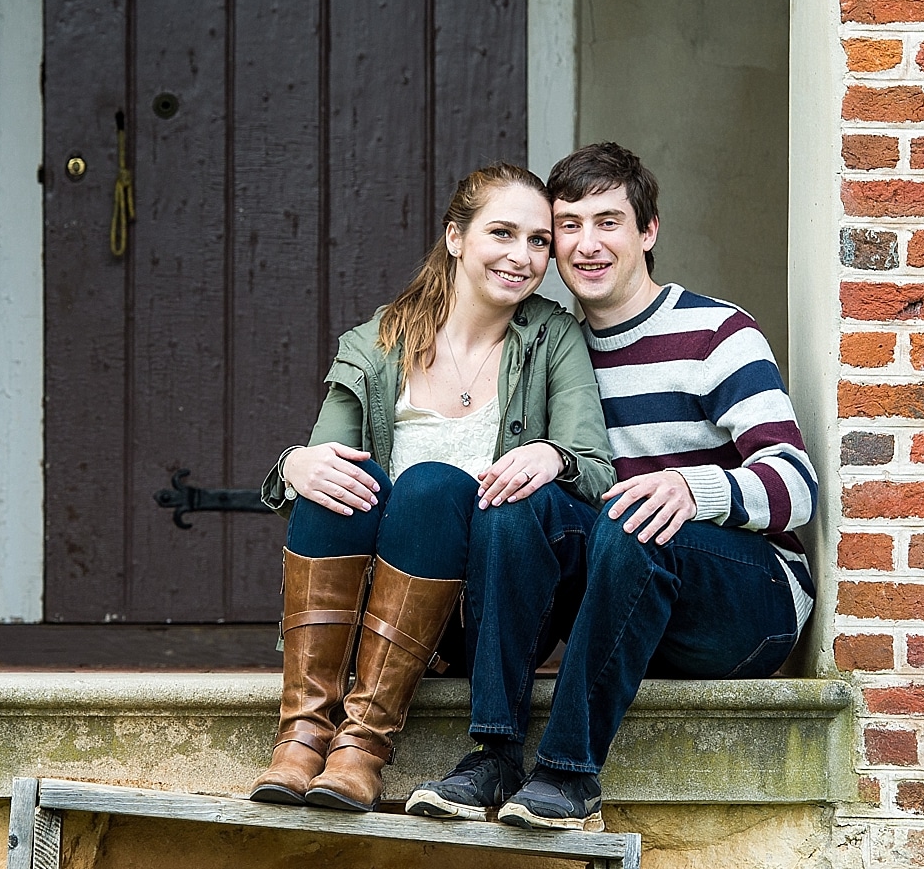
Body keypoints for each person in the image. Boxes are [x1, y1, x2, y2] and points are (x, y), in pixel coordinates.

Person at [408, 143, 818, 832]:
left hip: (745, 602)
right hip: (623, 593)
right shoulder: (546, 348)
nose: (587, 244)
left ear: (648, 231)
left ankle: (568, 773)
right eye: (568, 225)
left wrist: (693, 488)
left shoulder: (716, 331)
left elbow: (796, 482)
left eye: (609, 222)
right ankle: (493, 755)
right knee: (516, 502)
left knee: (634, 513)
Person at [251, 163, 615, 814]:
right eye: (502, 233)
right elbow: (325, 459)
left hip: (489, 619)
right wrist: (294, 464)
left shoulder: (552, 338)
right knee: (338, 476)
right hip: (377, 614)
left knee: (429, 487)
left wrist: (550, 454)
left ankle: (362, 745)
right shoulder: (375, 343)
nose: (523, 256)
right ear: (455, 237)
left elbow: (594, 468)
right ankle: (304, 736)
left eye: (538, 241)